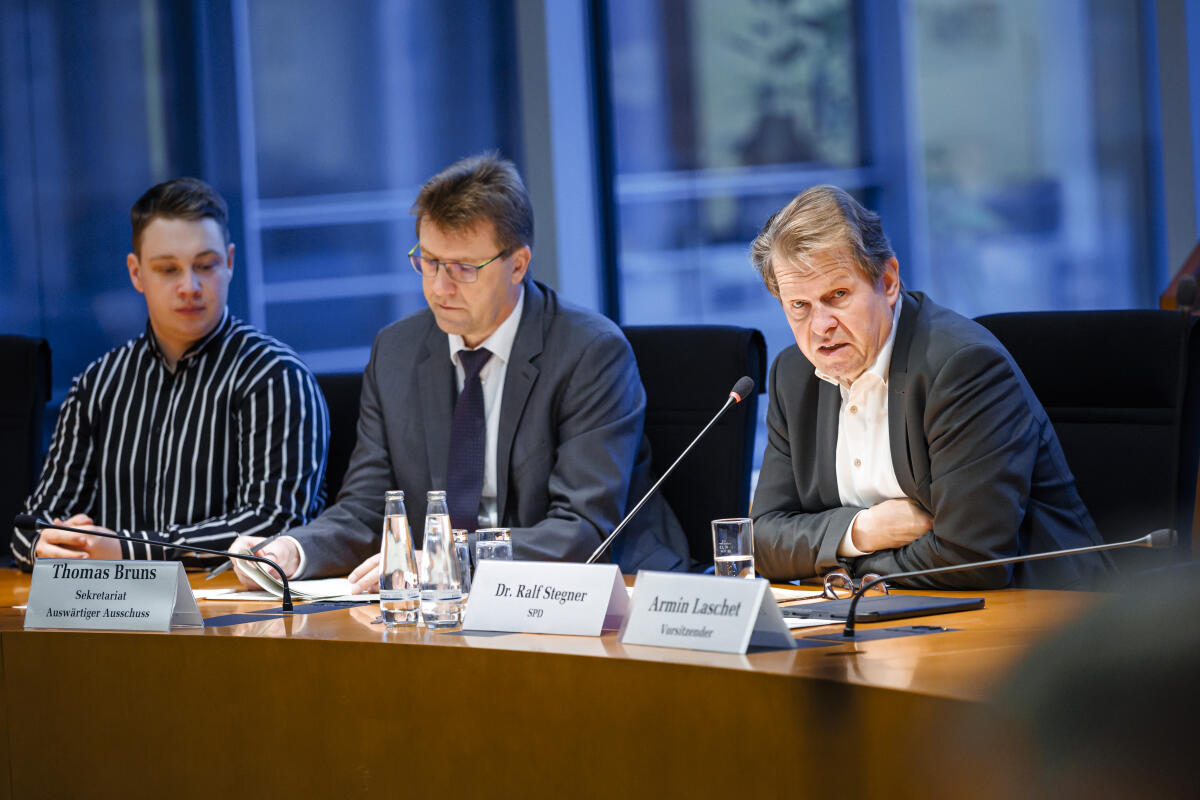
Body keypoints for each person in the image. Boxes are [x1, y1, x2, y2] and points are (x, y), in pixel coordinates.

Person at [234, 153, 687, 590]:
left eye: (463, 269)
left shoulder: (590, 352)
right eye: (428, 262)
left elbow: (581, 530)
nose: (438, 287)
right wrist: (293, 549)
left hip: (599, 594)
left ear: (518, 265)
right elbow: (368, 509)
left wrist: (445, 560)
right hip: (446, 598)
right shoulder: (396, 350)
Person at [748, 185, 1109, 588]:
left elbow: (970, 557)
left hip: (1037, 617)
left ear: (887, 282)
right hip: (888, 617)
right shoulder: (793, 375)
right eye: (799, 306)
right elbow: (762, 540)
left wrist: (839, 569)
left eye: (838, 295)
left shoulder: (961, 367)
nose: (820, 326)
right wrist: (862, 531)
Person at [10, 178, 328, 569]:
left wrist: (129, 549)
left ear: (229, 263)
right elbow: (32, 525)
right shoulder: (97, 384)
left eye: (205, 265)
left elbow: (275, 523)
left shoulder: (276, 377)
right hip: (111, 612)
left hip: (233, 618)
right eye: (167, 269)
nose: (189, 286)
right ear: (136, 273)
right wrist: (47, 544)